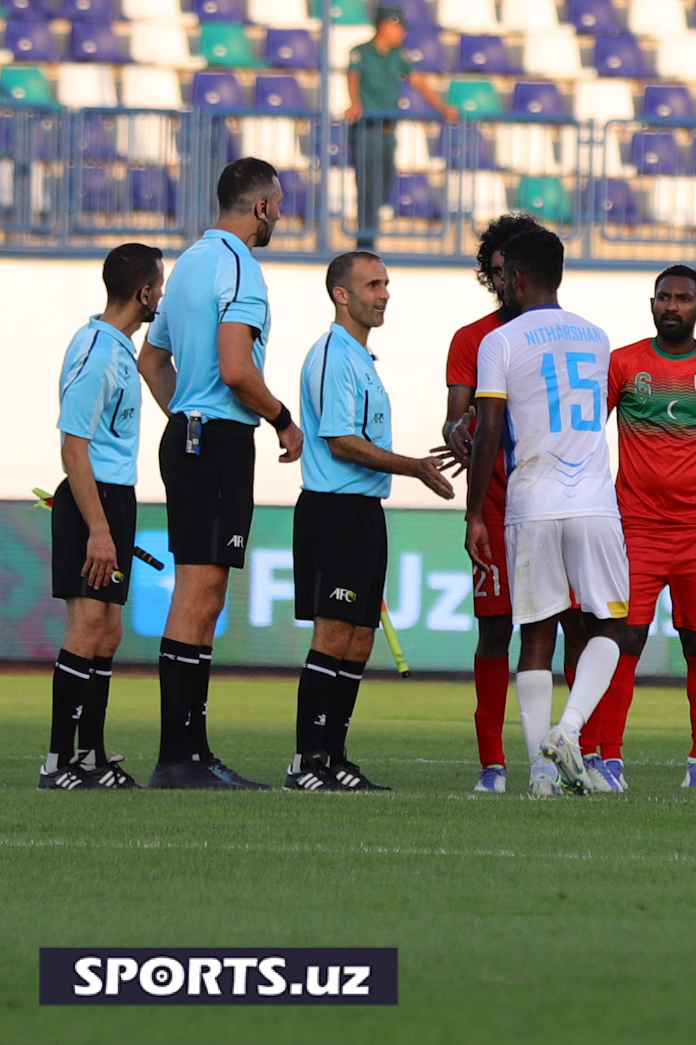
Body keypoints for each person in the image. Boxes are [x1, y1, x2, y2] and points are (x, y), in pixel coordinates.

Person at [136, 158, 303, 790]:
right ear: (260, 207)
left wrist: (185, 414)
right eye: (279, 204)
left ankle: (191, 753)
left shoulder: (189, 265)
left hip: (192, 436)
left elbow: (154, 360)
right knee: (200, 598)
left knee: (200, 598)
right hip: (218, 441)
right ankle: (179, 758)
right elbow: (236, 368)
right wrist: (283, 418)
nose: (282, 215)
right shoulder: (241, 268)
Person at [464, 228, 629, 798]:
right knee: (610, 624)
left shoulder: (500, 341)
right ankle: (572, 730)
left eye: (504, 277)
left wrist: (473, 516)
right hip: (592, 501)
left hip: (531, 500)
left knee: (534, 632)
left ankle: (540, 769)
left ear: (517, 279)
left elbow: (487, 431)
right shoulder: (598, 336)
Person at [588, 265, 696, 792]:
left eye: (683, 299)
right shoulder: (622, 363)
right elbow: (585, 432)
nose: (672, 306)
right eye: (664, 297)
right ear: (652, 304)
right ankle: (610, 760)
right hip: (635, 528)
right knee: (625, 641)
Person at [286, 252, 455, 791]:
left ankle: (333, 756)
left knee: (359, 639)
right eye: (372, 284)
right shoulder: (335, 354)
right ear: (342, 294)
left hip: (361, 511)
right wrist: (414, 467)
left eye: (386, 284)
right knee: (334, 633)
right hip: (333, 510)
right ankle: (307, 760)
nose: (383, 294)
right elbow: (341, 443)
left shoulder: (361, 357)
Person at [42, 243, 164, 790]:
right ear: (144, 293)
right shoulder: (98, 350)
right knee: (86, 626)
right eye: (158, 286)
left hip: (114, 500)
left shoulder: (113, 347)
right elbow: (74, 447)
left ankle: (90, 756)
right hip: (94, 502)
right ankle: (58, 762)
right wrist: (98, 530)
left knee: (109, 632)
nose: (161, 294)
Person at [441, 212, 543, 793]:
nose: (506, 282)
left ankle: (574, 753)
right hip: (498, 505)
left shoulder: (563, 334)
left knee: (564, 628)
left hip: (552, 501)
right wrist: (461, 430)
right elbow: (458, 416)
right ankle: (493, 764)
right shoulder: (471, 339)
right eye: (497, 272)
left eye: (515, 272)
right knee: (494, 632)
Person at [341, 3, 458, 249]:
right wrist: (355, 104)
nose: (402, 32)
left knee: (385, 180)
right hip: (367, 130)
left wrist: (441, 107)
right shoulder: (361, 52)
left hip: (387, 129)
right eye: (397, 26)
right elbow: (353, 78)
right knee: (366, 185)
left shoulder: (399, 55)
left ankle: (369, 231)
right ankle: (365, 237)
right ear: (384, 26)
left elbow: (418, 81)